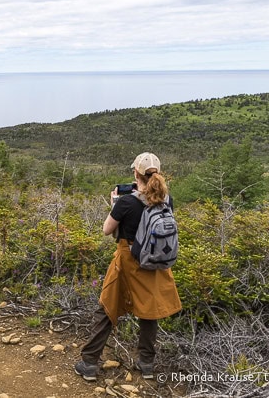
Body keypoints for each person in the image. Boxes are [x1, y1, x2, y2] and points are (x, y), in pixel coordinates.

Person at [75, 152, 182, 381]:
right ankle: (146, 363)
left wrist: (115, 203)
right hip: (155, 262)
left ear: (136, 173)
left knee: (107, 306)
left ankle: (90, 362)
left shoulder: (126, 202)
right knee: (149, 310)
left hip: (128, 260)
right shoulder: (167, 200)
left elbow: (106, 229)